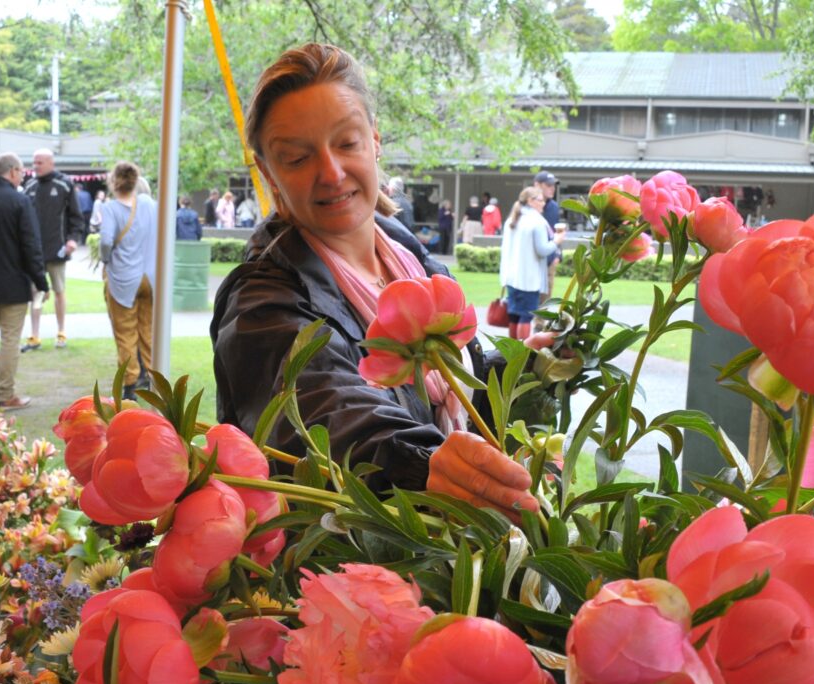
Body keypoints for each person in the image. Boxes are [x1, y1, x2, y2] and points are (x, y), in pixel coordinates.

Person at [211, 43, 550, 521]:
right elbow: (323, 409)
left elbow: (444, 391)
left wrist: (527, 369)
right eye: (296, 157)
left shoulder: (412, 259)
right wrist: (419, 462)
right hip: (356, 574)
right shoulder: (262, 304)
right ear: (268, 173)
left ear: (375, 142)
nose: (330, 172)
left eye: (347, 143)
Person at [0, 153, 49, 410]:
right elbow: (30, 245)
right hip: (13, 283)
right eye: (22, 171)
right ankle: (5, 394)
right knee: (10, 341)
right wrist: (41, 281)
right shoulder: (19, 201)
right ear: (14, 171)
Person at [99, 161, 158, 401]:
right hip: (150, 277)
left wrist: (105, 260)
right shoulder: (148, 204)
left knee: (125, 333)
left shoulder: (111, 208)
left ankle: (130, 384)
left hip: (123, 277)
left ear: (114, 182)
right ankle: (154, 379)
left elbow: (105, 241)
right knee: (148, 330)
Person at [22, 148, 83, 351]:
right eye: (34, 162)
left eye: (39, 162)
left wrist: (72, 240)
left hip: (57, 250)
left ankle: (61, 332)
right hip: (34, 253)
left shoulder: (64, 184)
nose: (35, 166)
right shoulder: (29, 186)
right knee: (35, 293)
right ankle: (35, 336)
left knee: (58, 291)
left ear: (50, 163)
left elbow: (76, 217)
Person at [498, 186, 565, 341]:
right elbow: (542, 249)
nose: (543, 203)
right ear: (530, 201)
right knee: (526, 316)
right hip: (529, 278)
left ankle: (512, 348)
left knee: (514, 315)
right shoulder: (536, 221)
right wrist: (557, 241)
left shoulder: (512, 219)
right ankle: (523, 349)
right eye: (540, 200)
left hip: (511, 276)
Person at [533, 170, 561, 301]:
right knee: (529, 298)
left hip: (549, 259)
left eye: (553, 185)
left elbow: (556, 231)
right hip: (531, 260)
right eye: (548, 185)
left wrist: (557, 255)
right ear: (537, 185)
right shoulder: (527, 206)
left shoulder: (554, 207)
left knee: (545, 298)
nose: (552, 189)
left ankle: (540, 322)